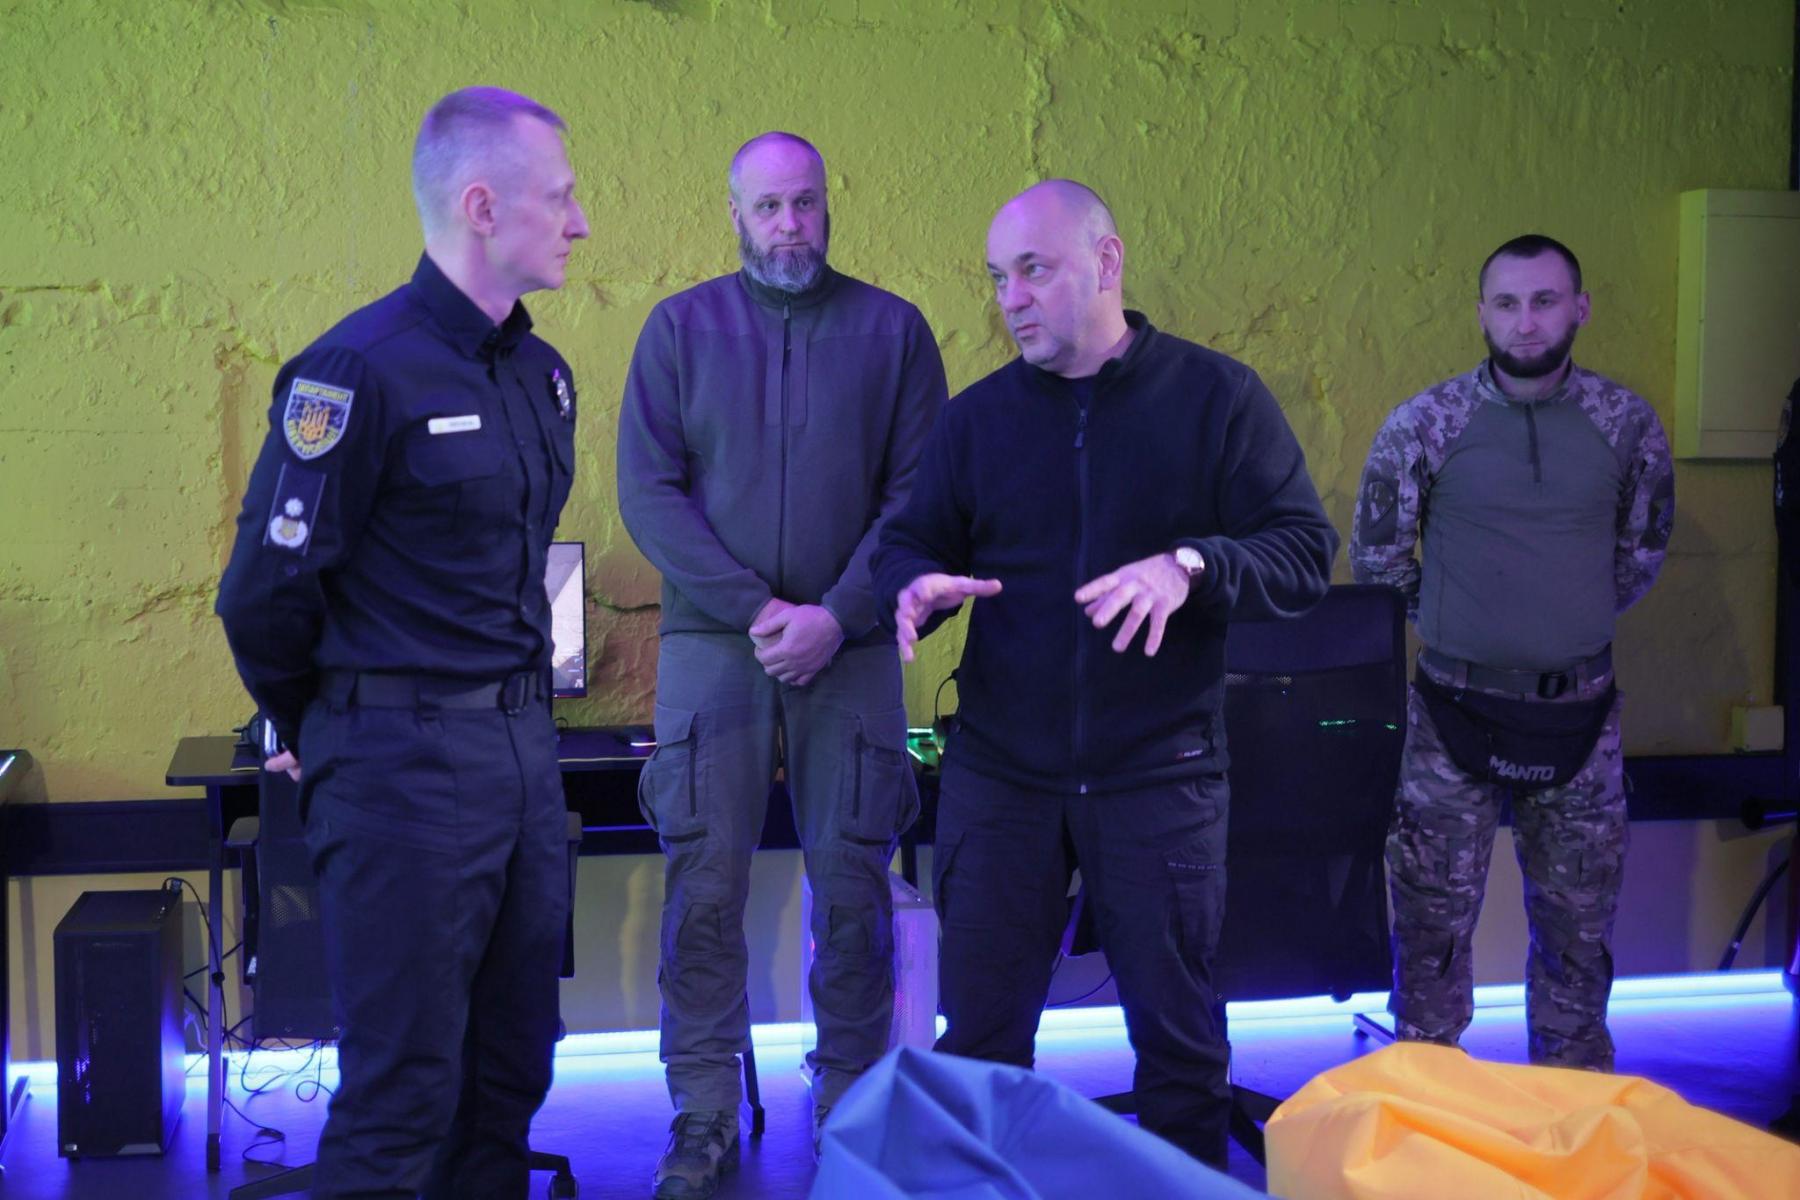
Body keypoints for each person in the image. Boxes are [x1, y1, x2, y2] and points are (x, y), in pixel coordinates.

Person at [871, 179, 1336, 1167]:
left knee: (1181, 1051)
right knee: (981, 1045)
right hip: (1002, 775)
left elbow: (1303, 552)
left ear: (1108, 261)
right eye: (998, 277)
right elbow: (910, 544)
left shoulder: (1217, 399)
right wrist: (912, 587)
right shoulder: (978, 420)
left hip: (1159, 772)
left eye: (1033, 269)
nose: (1011, 297)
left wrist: (1192, 566)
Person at [215, 86, 589, 1198]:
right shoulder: (354, 373)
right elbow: (264, 594)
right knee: (403, 1095)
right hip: (400, 770)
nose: (579, 223)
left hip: (522, 758)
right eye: (560, 198)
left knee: (511, 1072)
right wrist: (317, 721)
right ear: (482, 206)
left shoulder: (542, 376)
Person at [616, 130, 948, 1198]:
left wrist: (838, 615)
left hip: (853, 650)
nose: (790, 225)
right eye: (768, 206)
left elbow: (920, 496)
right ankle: (704, 1110)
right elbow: (648, 495)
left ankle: (850, 1103)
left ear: (827, 205)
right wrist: (759, 610)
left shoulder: (894, 332)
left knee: (853, 887)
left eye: (804, 202)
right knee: (703, 889)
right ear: (735, 214)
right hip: (716, 647)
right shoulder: (679, 331)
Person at [1350, 234, 1675, 1070]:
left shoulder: (1626, 425)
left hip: (1581, 720)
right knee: (1429, 937)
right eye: (1506, 303)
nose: (1525, 321)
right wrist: (1465, 627)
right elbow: (1380, 561)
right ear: (1481, 314)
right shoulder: (1425, 424)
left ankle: (1570, 1117)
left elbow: (1639, 555)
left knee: (1578, 943)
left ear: (1580, 308)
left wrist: (1558, 627)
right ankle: (1428, 1109)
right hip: (1451, 716)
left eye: (1544, 301)